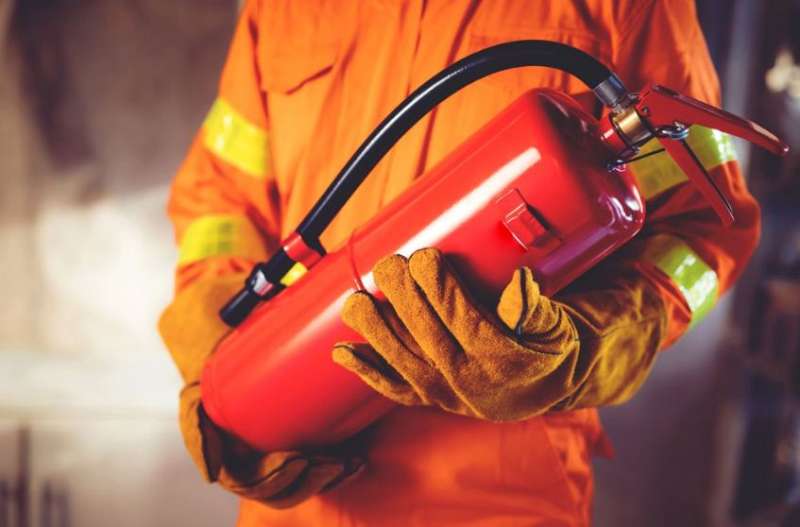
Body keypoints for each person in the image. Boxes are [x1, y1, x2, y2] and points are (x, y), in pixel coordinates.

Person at [158, 1, 760, 525]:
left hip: (499, 496)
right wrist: (224, 351)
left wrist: (579, 347)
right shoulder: (284, 8)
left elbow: (703, 228)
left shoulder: (627, 6)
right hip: (299, 480)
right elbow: (221, 198)